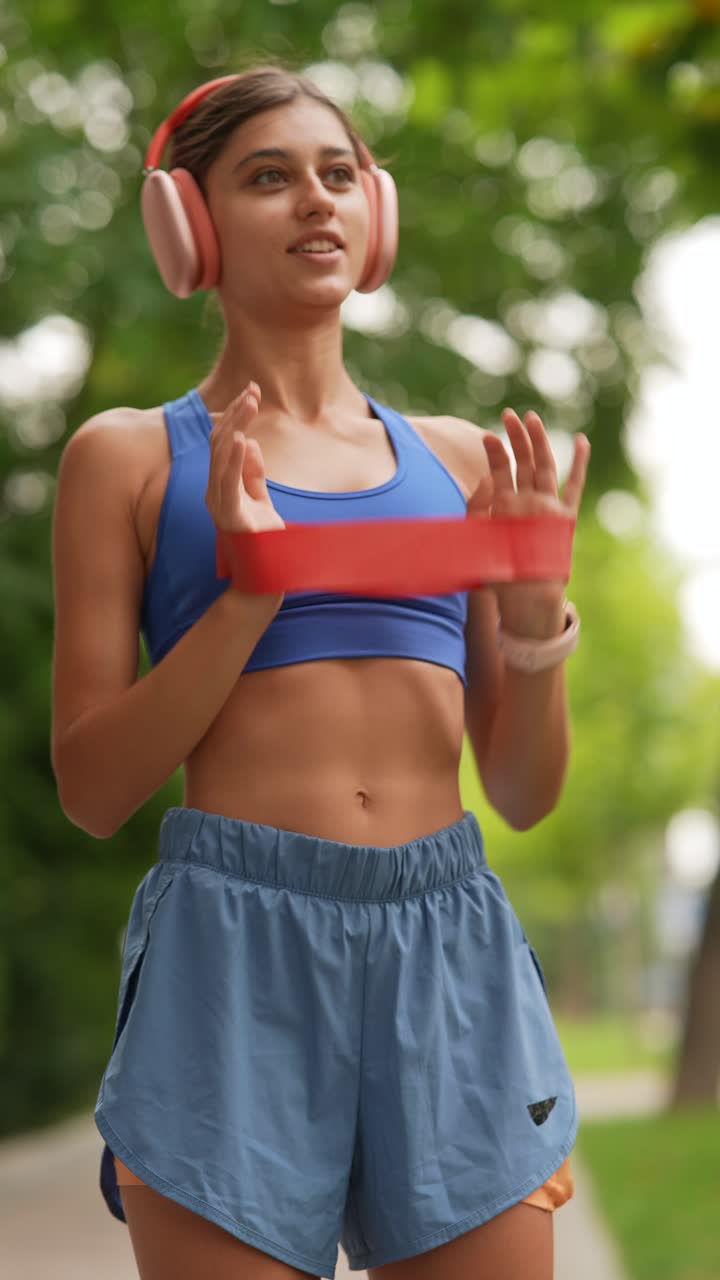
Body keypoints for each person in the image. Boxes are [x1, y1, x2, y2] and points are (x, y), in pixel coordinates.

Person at [50, 63, 590, 1280]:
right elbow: (92, 786)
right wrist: (254, 590)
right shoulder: (127, 460)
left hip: (448, 945)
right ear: (190, 227)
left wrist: (538, 617)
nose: (315, 201)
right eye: (268, 177)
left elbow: (520, 788)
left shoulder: (457, 460)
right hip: (230, 956)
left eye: (339, 175)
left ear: (377, 212)